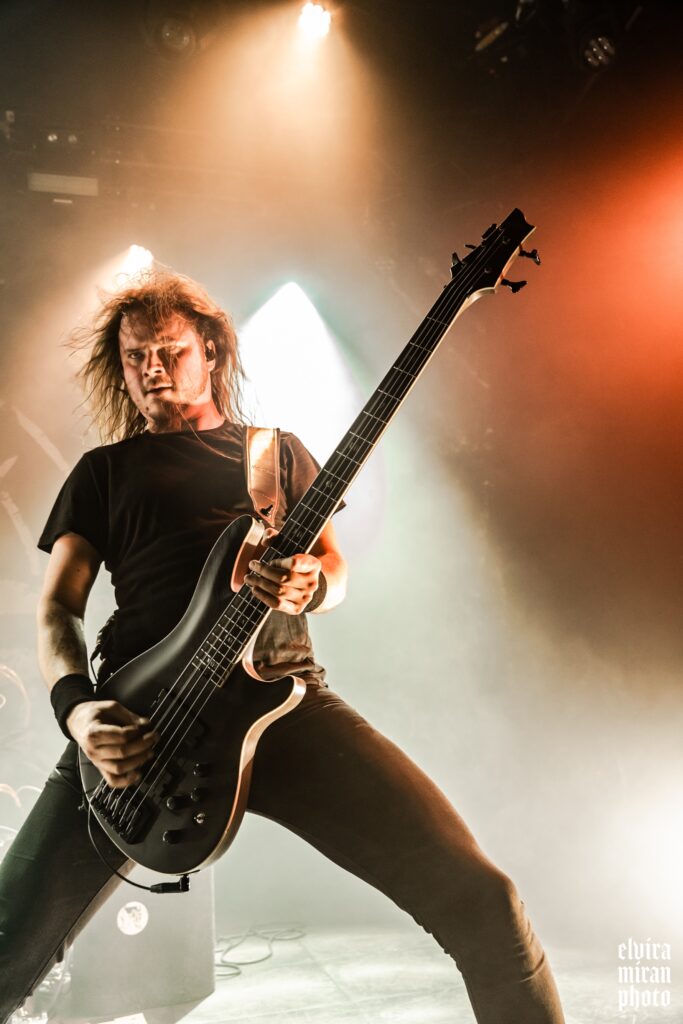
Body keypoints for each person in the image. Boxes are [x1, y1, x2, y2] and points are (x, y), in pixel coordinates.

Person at [0, 272, 565, 1024]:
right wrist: (78, 713)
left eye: (169, 351)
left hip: (282, 702)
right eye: (135, 357)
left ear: (210, 351)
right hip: (137, 729)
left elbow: (333, 571)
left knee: (484, 902)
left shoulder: (274, 455)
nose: (152, 369)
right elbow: (58, 610)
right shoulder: (103, 472)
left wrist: (310, 584)